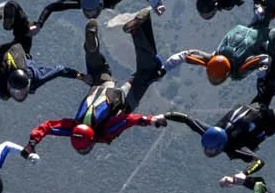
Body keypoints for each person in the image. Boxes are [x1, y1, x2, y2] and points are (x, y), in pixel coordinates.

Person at [22, 13, 170, 156]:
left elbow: (127, 120)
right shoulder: (73, 128)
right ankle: (91, 51)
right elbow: (48, 126)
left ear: (92, 141)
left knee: (148, 71)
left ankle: (137, 29)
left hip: (124, 99)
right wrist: (32, 142)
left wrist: (151, 120)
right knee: (97, 68)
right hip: (100, 85)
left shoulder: (105, 132)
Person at [165, 43, 275, 162]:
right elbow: (186, 119)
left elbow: (258, 162)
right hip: (252, 109)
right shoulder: (210, 131)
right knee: (270, 87)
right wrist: (160, 117)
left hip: (267, 120)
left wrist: (241, 176)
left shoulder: (233, 149)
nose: (209, 151)